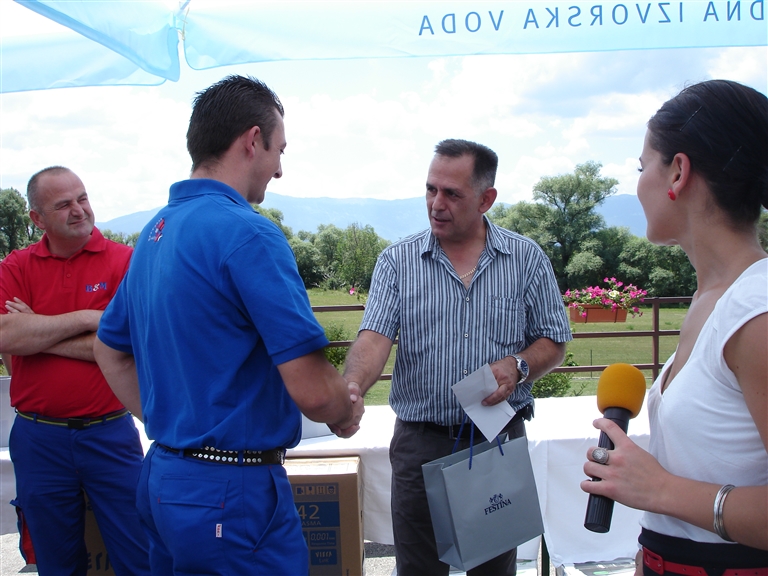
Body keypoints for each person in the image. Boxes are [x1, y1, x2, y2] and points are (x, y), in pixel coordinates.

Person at [93, 75, 364, 575]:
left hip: (165, 476)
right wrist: (343, 408)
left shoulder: (155, 232)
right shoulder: (249, 234)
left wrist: (176, 425)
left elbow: (109, 350)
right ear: (252, 140)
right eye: (279, 150)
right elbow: (312, 390)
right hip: (232, 492)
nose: (279, 169)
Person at [343, 139, 573, 575]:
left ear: (486, 199)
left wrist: (519, 366)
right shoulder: (397, 261)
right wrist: (351, 386)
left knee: (493, 570)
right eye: (431, 189)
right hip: (420, 445)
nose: (436, 204)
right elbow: (373, 339)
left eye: (452, 193)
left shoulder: (525, 259)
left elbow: (554, 341)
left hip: (495, 443)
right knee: (419, 570)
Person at [581, 79, 768, 572]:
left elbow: (669, 489)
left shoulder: (758, 311)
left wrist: (660, 489)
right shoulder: (713, 299)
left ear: (678, 172)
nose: (637, 184)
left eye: (642, 166)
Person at [0, 166, 150, 575]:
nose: (79, 210)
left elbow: (129, 341)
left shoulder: (125, 261)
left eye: (82, 198)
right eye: (63, 204)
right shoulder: (16, 265)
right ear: (37, 218)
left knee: (139, 555)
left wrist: (37, 330)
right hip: (38, 438)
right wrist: (88, 318)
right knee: (56, 563)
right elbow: (5, 335)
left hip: (110, 433)